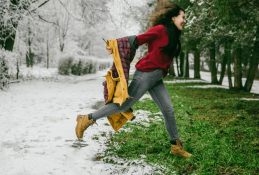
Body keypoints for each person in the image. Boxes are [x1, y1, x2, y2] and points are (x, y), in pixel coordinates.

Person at [75, 1, 192, 158]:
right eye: (182, 17)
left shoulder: (173, 34)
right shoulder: (160, 29)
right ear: (173, 18)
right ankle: (86, 119)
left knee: (168, 110)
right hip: (146, 74)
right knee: (123, 106)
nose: (184, 20)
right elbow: (136, 40)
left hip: (156, 77)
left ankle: (176, 146)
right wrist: (114, 45)